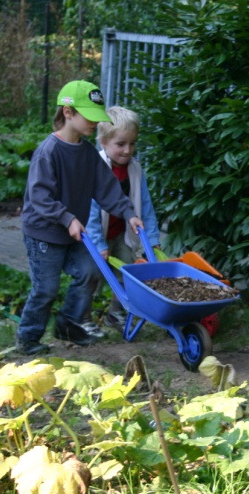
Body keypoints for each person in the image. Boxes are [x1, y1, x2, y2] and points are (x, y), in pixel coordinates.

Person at [16, 80, 143, 355]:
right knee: (46, 288)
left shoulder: (86, 152)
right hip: (44, 233)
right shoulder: (48, 151)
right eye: (90, 117)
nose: (95, 124)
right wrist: (67, 218)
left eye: (99, 118)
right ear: (68, 112)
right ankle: (28, 338)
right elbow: (39, 197)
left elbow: (106, 188)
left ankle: (68, 324)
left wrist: (128, 213)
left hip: (75, 232)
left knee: (89, 272)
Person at [86, 106, 162, 328]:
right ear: (103, 142)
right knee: (90, 276)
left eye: (132, 143)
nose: (128, 150)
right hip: (96, 233)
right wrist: (98, 242)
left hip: (121, 233)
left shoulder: (135, 169)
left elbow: (144, 205)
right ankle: (82, 317)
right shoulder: (96, 167)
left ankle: (115, 313)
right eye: (120, 144)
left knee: (128, 272)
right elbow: (89, 210)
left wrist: (153, 237)